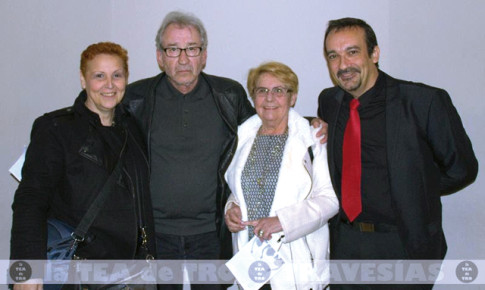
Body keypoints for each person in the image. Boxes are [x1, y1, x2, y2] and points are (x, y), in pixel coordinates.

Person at [317, 17, 478, 289]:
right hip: (345, 243)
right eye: (334, 55)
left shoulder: (423, 102)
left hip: (403, 245)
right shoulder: (329, 102)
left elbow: (462, 170)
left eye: (352, 52)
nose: (343, 65)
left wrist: (415, 188)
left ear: (375, 53)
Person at [122, 11, 255, 289]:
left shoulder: (229, 95)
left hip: (212, 232)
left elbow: (264, 134)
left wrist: (310, 125)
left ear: (204, 55)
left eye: (191, 49)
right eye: (173, 49)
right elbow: (96, 119)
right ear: (160, 56)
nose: (183, 59)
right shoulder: (135, 99)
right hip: (154, 235)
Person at [10, 42, 156, 289]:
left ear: (126, 79)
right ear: (83, 79)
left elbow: (143, 205)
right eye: (99, 76)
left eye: (117, 75)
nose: (109, 85)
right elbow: (30, 202)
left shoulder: (133, 129)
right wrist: (26, 272)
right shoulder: (56, 129)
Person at [224, 61, 339, 289]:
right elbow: (238, 189)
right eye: (262, 90)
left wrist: (282, 222)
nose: (269, 98)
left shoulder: (313, 139)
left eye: (279, 90)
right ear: (253, 97)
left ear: (292, 97)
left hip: (295, 261)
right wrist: (231, 209)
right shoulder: (240, 137)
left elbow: (330, 200)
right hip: (250, 262)